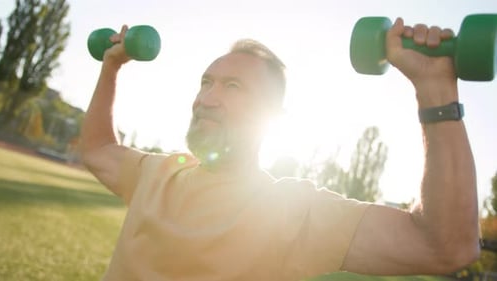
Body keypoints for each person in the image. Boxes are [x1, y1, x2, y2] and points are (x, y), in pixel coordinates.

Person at [80, 18, 479, 281]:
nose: (207, 98)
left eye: (232, 87)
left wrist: (435, 89)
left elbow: (447, 247)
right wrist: (111, 66)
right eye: (206, 82)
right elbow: (97, 148)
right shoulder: (158, 174)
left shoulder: (291, 211)